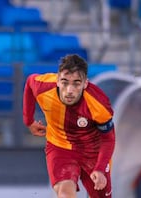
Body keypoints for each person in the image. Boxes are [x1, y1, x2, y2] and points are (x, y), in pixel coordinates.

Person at [22, 54, 115, 198]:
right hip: (60, 147)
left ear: (85, 84)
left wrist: (100, 168)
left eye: (76, 83)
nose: (69, 90)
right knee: (65, 194)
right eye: (65, 82)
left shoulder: (99, 104)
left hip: (93, 152)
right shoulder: (44, 87)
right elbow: (29, 83)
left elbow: (108, 139)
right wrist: (29, 120)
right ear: (58, 80)